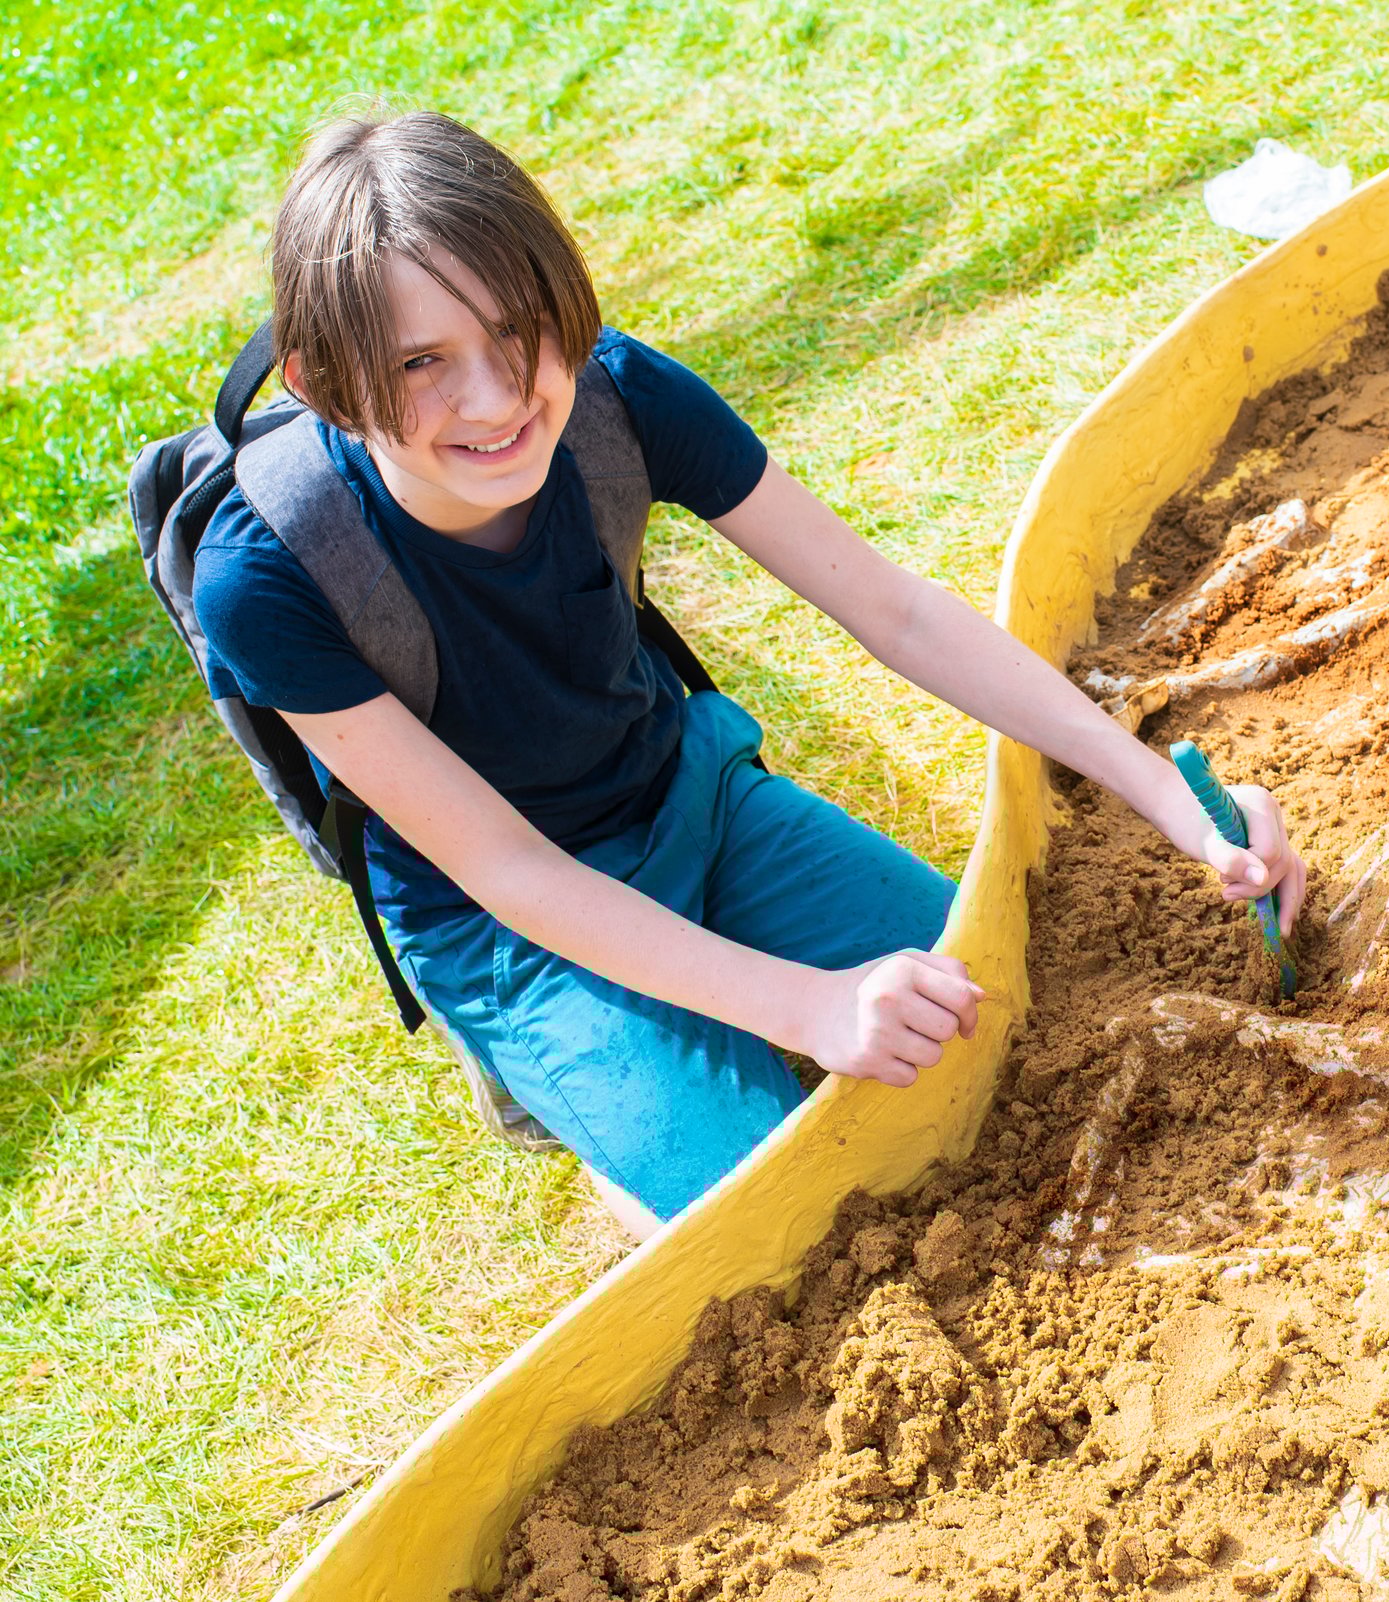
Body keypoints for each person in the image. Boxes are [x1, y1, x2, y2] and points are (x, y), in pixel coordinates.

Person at [192, 112, 1308, 1241]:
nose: (493, 399)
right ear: (324, 385)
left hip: (699, 803)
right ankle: (579, 1106)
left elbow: (901, 612)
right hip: (515, 929)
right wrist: (810, 1005)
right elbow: (508, 868)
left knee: (1005, 1027)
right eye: (421, 364)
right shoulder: (270, 576)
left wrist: (1170, 799)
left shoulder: (619, 399)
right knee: (793, 1218)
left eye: (518, 328)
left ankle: (695, 1035)